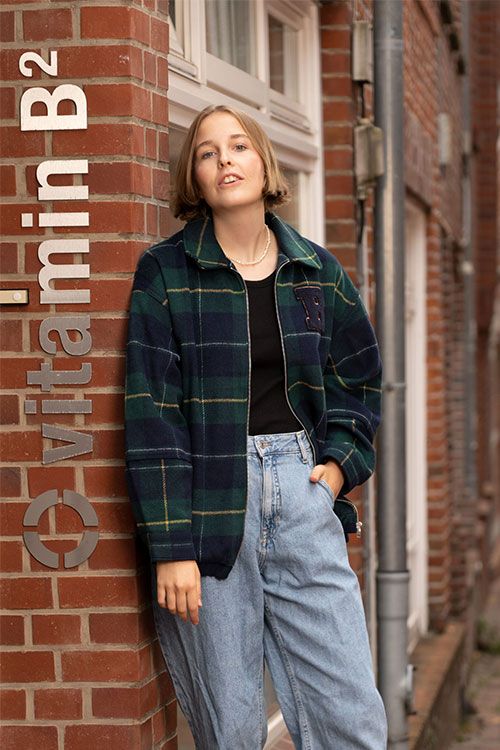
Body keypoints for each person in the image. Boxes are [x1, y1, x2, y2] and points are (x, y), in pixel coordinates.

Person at [125, 104, 388, 749]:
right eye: (207, 152)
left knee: (352, 717)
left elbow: (358, 379)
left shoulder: (316, 272)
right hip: (210, 502)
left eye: (239, 146)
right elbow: (152, 413)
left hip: (302, 490)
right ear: (195, 177)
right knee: (234, 727)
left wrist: (335, 471)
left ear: (265, 163)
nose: (225, 160)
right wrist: (172, 548)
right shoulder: (166, 273)